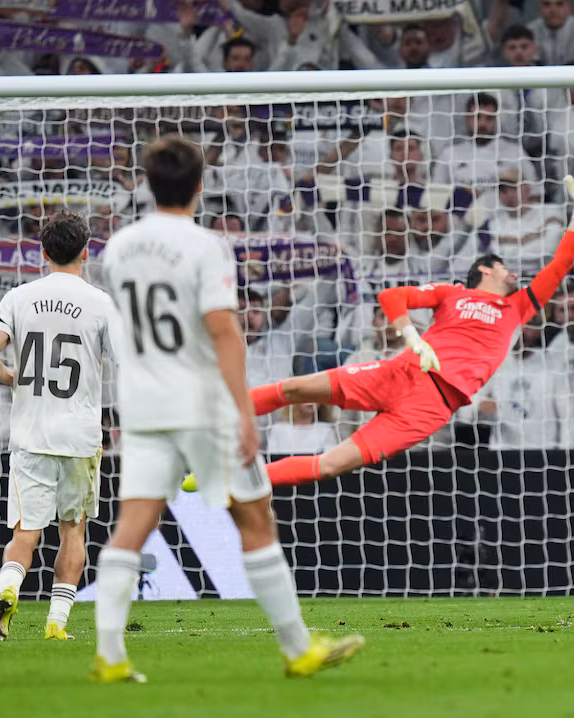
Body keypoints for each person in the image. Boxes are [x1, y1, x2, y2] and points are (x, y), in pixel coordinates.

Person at [93, 135, 362, 683]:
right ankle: (297, 649)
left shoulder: (118, 247)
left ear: (146, 183)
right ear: (199, 185)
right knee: (256, 519)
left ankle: (110, 657)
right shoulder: (205, 246)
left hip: (143, 404)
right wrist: (244, 411)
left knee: (132, 526)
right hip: (200, 403)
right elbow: (223, 331)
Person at [249, 166, 574, 485]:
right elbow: (391, 297)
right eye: (504, 267)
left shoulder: (517, 307)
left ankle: (236, 486)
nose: (513, 273)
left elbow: (561, 263)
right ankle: (210, 416)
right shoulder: (452, 293)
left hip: (430, 407)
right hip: (399, 371)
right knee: (294, 389)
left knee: (329, 465)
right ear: (485, 269)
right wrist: (414, 339)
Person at [0, 212, 116, 642]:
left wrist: (11, 377)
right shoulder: (100, 302)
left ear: (43, 251)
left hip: (32, 436)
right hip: (79, 438)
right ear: (86, 251)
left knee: (26, 532)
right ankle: (56, 624)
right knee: (73, 530)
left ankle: (8, 591)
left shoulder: (20, 296)